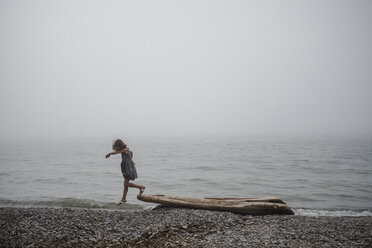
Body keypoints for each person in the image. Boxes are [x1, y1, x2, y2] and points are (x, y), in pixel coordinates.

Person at [105, 139, 145, 205]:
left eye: (116, 147)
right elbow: (131, 152)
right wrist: (131, 161)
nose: (116, 149)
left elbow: (116, 152)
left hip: (127, 168)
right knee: (125, 184)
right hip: (127, 167)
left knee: (126, 184)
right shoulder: (127, 149)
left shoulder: (125, 150)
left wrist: (109, 153)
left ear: (119, 146)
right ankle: (123, 199)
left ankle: (141, 187)